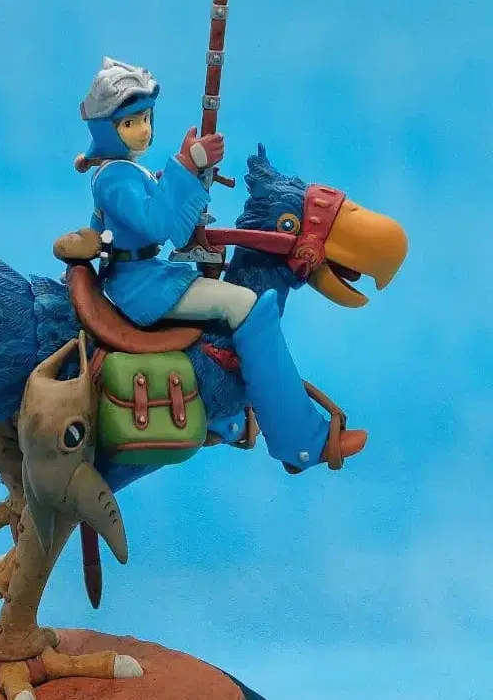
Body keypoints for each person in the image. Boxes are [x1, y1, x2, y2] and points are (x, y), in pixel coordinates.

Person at [73, 57, 366, 472]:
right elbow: (159, 225)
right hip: (141, 287)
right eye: (130, 123)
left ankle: (228, 415)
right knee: (248, 305)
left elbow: (166, 219)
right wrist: (185, 166)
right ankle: (302, 443)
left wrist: (187, 178)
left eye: (146, 118)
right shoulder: (115, 178)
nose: (143, 130)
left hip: (148, 276)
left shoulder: (126, 172)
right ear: (107, 130)